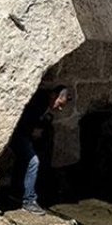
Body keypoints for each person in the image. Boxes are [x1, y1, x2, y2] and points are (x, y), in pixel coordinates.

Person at [11, 85, 72, 215]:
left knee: (24, 160)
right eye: (59, 104)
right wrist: (34, 131)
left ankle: (16, 192)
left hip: (21, 133)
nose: (60, 109)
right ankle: (29, 201)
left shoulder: (43, 103)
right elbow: (24, 121)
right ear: (53, 96)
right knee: (33, 162)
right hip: (17, 133)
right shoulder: (38, 103)